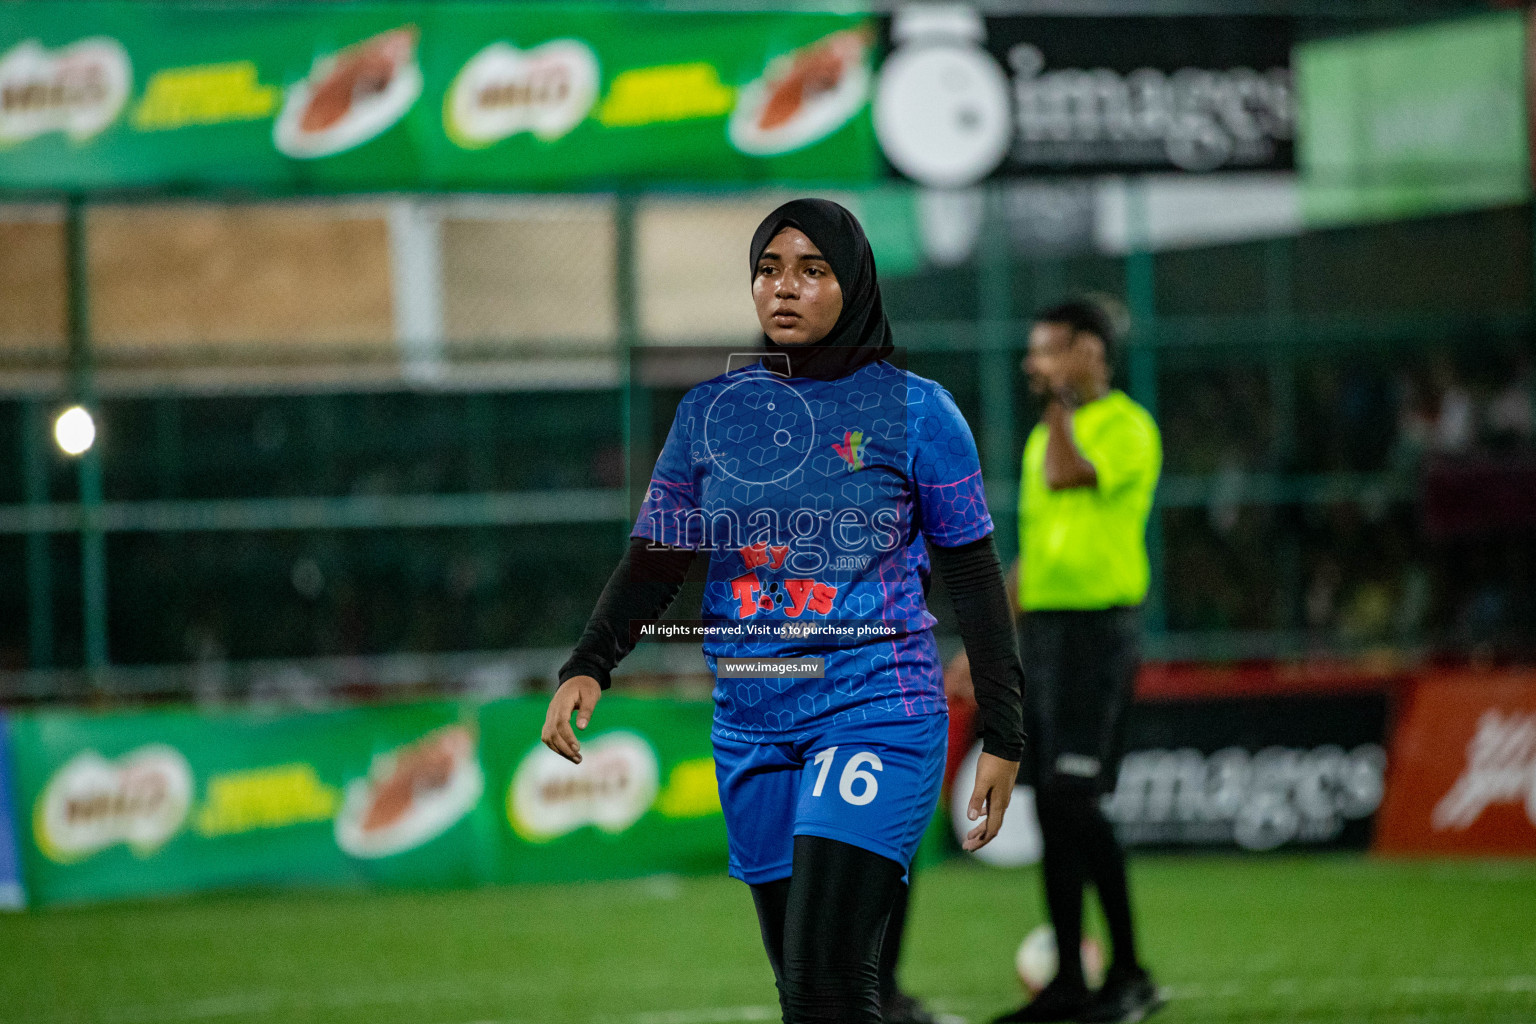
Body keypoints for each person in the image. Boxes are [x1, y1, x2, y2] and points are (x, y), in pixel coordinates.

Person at [541, 199, 1026, 1024]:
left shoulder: (917, 411)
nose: (783, 289)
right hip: (751, 726)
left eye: (811, 269)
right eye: (768, 269)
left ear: (855, 283)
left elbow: (974, 575)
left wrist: (1006, 731)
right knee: (807, 996)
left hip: (875, 709)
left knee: (826, 977)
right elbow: (658, 557)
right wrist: (590, 661)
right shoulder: (709, 413)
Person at [988, 299, 1164, 1023]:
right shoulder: (1042, 438)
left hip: (1099, 636)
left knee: (1075, 798)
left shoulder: (1126, 427)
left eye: (1047, 351)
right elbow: (1038, 552)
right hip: (1047, 639)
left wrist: (1063, 406)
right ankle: (1068, 984)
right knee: (1054, 809)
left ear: (1089, 352)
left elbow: (1069, 478)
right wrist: (991, 639)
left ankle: (1128, 975)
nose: (1033, 365)